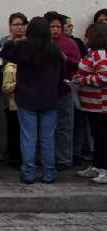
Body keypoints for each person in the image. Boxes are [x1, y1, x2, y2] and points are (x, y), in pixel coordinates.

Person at [1, 17, 65, 184]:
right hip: (49, 98)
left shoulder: (23, 48)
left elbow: (4, 53)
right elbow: (61, 76)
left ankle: (28, 172)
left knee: (28, 137)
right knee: (47, 137)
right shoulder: (55, 51)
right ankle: (48, 172)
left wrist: (13, 41)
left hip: (26, 98)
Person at [45, 11, 80, 170]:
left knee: (64, 127)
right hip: (46, 91)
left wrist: (66, 59)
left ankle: (64, 159)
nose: (55, 30)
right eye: (52, 26)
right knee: (47, 128)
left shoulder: (70, 43)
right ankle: (47, 157)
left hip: (64, 90)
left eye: (58, 26)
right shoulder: (42, 43)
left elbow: (78, 64)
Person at [74, 23, 107, 184]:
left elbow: (104, 77)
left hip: (101, 105)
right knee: (97, 136)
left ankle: (104, 169)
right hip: (92, 105)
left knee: (102, 137)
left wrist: (83, 80)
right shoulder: (91, 54)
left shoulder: (100, 55)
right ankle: (97, 165)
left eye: (87, 34)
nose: (84, 37)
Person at [0, 13, 28, 167]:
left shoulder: (28, 42)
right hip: (8, 86)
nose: (20, 27)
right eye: (16, 24)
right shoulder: (5, 42)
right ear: (10, 26)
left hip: (25, 89)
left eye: (22, 24)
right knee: (11, 124)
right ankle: (12, 154)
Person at [64, 15, 89, 166]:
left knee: (79, 120)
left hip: (77, 86)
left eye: (70, 25)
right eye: (66, 25)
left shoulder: (77, 42)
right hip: (64, 86)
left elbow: (82, 63)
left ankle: (76, 153)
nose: (69, 27)